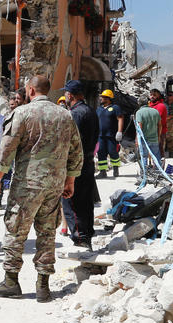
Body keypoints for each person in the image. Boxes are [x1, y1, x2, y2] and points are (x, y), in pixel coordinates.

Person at [0, 75, 83, 302]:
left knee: (16, 231)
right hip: (54, 185)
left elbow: (7, 149)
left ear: (30, 90)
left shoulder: (22, 113)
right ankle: (43, 287)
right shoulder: (65, 115)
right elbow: (76, 151)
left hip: (27, 185)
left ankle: (11, 281)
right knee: (47, 233)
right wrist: (70, 181)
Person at [61, 80, 99, 250]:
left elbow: (72, 142)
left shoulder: (75, 114)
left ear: (70, 95)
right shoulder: (90, 110)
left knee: (72, 201)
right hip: (88, 161)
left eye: (66, 94)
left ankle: (80, 236)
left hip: (77, 164)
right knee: (85, 200)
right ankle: (87, 233)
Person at [95, 89, 124, 179]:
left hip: (111, 135)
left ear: (108, 98)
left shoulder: (115, 108)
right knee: (101, 153)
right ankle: (103, 172)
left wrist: (119, 131)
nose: (101, 98)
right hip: (100, 136)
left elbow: (120, 119)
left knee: (113, 152)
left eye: (103, 97)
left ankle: (115, 169)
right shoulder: (99, 109)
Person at [135, 95, 162, 171]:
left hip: (144, 140)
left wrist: (137, 139)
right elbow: (160, 125)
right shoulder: (155, 111)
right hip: (154, 139)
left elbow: (139, 127)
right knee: (156, 157)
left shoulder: (139, 112)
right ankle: (158, 173)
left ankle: (144, 174)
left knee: (144, 157)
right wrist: (159, 136)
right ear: (148, 102)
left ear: (139, 103)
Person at [149, 89, 167, 160]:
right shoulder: (149, 105)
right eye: (151, 95)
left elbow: (156, 120)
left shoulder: (161, 106)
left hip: (160, 132)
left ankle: (160, 167)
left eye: (154, 95)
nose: (152, 97)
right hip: (150, 132)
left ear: (159, 96)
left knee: (159, 151)